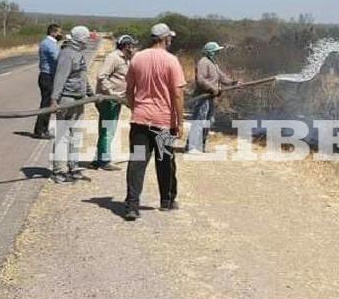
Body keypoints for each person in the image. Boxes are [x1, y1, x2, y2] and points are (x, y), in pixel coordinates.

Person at [123, 23, 186, 221]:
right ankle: (166, 201)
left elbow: (129, 90)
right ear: (165, 38)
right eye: (170, 38)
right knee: (165, 161)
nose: (171, 41)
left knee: (137, 162)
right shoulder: (171, 61)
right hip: (163, 122)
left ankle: (132, 205)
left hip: (140, 120)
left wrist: (136, 109)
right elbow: (177, 93)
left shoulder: (137, 58)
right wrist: (180, 121)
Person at [50, 26, 94, 184]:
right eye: (86, 38)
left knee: (76, 135)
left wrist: (91, 94)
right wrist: (54, 100)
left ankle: (73, 167)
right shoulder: (67, 54)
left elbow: (82, 77)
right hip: (66, 99)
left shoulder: (79, 54)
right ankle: (59, 171)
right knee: (62, 136)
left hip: (79, 99)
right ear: (80, 39)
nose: (88, 41)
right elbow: (60, 78)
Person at [92, 34, 137, 171]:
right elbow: (101, 76)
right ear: (126, 46)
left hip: (117, 100)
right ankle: (104, 160)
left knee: (107, 130)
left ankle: (98, 158)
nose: (133, 48)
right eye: (132, 45)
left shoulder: (127, 59)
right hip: (109, 100)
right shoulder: (113, 57)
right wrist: (111, 93)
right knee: (107, 130)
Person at [186, 41, 238, 154]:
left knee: (209, 121)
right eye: (216, 51)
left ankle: (201, 145)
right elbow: (201, 80)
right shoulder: (203, 63)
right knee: (199, 121)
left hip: (210, 98)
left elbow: (221, 77)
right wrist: (212, 88)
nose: (217, 53)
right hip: (202, 97)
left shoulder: (213, 63)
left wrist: (232, 82)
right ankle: (192, 146)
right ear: (210, 52)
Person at [33, 23, 62, 139]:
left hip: (49, 76)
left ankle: (43, 129)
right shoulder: (49, 44)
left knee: (48, 104)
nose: (61, 34)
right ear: (53, 32)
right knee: (46, 104)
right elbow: (57, 57)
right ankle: (40, 130)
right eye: (59, 32)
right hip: (47, 76)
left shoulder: (51, 43)